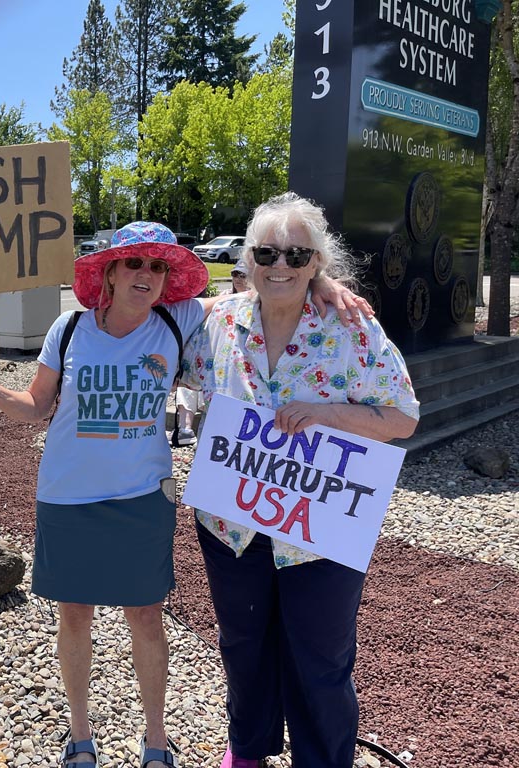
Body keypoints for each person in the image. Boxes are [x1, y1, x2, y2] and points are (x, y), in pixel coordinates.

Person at [0, 221, 368, 768]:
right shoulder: (69, 328)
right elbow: (37, 407)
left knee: (145, 618)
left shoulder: (178, 321)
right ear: (109, 271)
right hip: (67, 496)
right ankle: (80, 736)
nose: (146, 274)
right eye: (133, 262)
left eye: (157, 266)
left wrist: (321, 282)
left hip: (141, 500)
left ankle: (156, 741)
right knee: (75, 615)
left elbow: (265, 290)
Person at [181, 193, 419, 768]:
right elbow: (148, 311)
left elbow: (403, 416)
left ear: (317, 262)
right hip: (231, 522)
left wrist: (326, 413)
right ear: (248, 260)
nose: (280, 265)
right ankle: (248, 750)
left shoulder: (351, 327)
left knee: (321, 658)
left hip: (321, 530)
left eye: (297, 255)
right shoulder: (217, 322)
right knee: (243, 646)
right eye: (267, 253)